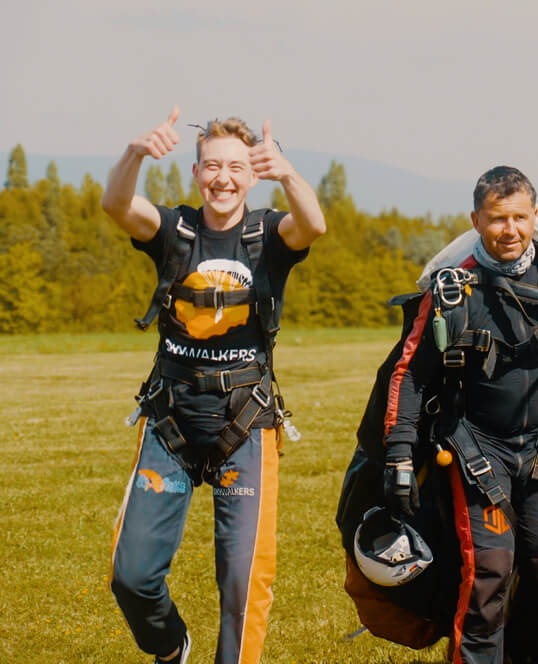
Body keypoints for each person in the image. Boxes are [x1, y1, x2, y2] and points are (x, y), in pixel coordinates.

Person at [102, 107, 325, 664]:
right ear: (197, 172)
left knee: (242, 581)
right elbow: (117, 205)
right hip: (171, 421)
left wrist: (288, 173)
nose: (223, 178)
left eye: (236, 167)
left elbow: (313, 226)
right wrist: (134, 153)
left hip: (243, 423)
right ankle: (170, 644)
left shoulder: (268, 234)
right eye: (212, 166)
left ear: (252, 176)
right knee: (131, 575)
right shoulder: (174, 231)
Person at [381, 166, 538, 664]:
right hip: (479, 452)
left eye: (519, 217)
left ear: (535, 216)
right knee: (488, 574)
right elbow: (411, 375)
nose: (509, 230)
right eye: (497, 219)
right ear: (476, 220)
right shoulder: (454, 291)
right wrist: (399, 455)